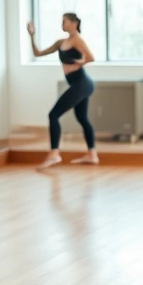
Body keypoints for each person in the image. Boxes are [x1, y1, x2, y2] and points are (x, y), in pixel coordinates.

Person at [26, 13, 99, 170]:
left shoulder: (78, 40)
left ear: (74, 23)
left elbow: (90, 58)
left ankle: (54, 154)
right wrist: (32, 35)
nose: (62, 24)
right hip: (78, 84)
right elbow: (37, 53)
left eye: (64, 21)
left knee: (53, 115)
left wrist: (77, 62)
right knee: (82, 118)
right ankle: (92, 155)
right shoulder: (61, 42)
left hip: (82, 83)